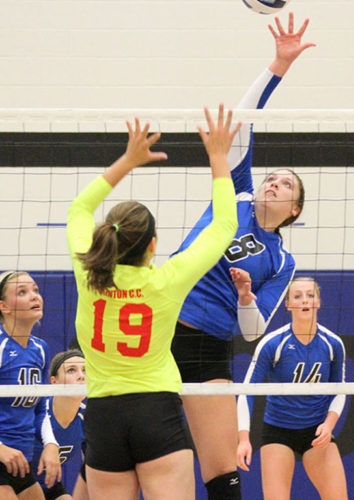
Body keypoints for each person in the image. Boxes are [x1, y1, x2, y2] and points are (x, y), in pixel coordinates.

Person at [170, 13, 315, 499]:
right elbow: (243, 121)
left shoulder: (282, 262)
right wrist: (278, 65)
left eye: (286, 184)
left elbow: (253, 334)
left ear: (293, 209)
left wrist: (248, 296)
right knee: (138, 453)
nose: (273, 181)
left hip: (209, 346)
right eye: (271, 176)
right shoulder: (235, 196)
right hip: (163, 326)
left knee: (222, 474)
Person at [66, 106, 240, 500]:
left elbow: (78, 210)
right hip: (154, 413)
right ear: (153, 246)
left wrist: (126, 161)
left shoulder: (86, 273)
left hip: (103, 417)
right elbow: (225, 225)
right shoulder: (165, 281)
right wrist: (217, 157)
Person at [237, 277, 348, 500]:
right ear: (288, 304)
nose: (305, 300)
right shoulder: (273, 343)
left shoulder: (332, 344)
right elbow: (246, 391)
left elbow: (340, 390)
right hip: (278, 430)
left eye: (310, 295)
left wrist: (328, 424)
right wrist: (243, 439)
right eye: (297, 296)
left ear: (318, 301)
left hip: (316, 431)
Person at [0, 271, 62, 500]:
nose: (34, 296)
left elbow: (40, 407)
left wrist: (51, 444)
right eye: (23, 292)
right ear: (4, 307)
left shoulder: (41, 349)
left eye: (36, 290)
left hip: (20, 462)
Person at [31, 350, 87, 500]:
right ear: (54, 382)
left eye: (85, 370)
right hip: (15, 483)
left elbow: (93, 469)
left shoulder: (87, 419)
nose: (81, 376)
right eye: (71, 370)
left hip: (50, 486)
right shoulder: (37, 410)